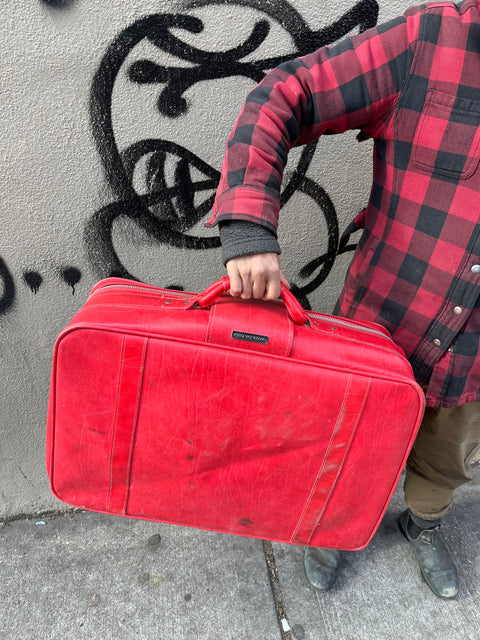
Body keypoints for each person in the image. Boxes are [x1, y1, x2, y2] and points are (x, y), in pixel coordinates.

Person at [206, 0, 480, 599]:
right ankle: (333, 527)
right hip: (384, 325)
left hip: (475, 361)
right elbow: (286, 92)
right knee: (347, 447)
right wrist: (249, 224)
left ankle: (424, 525)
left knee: (447, 461)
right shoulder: (432, 38)